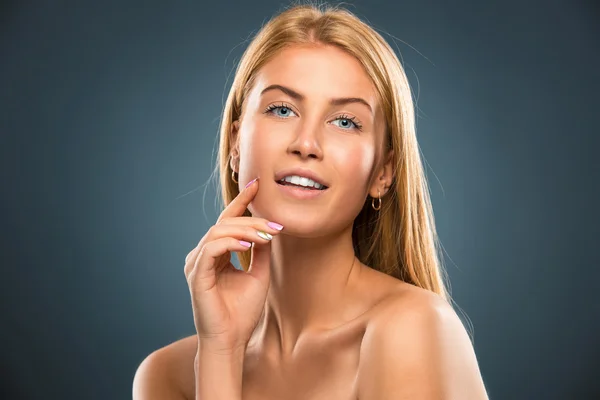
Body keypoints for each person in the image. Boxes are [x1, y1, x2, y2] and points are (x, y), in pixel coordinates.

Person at [133, 3, 489, 399]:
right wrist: (221, 350)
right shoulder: (166, 376)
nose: (306, 144)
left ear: (383, 173)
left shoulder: (413, 328)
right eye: (282, 109)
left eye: (345, 121)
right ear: (236, 143)